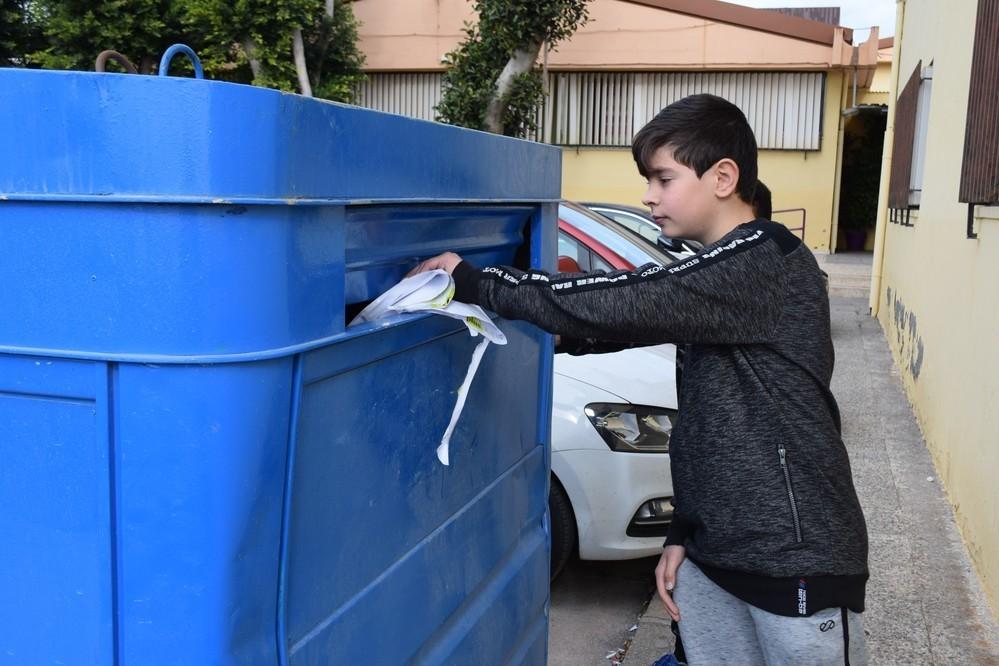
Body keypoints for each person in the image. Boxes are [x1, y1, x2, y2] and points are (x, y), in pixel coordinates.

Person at [409, 94, 869, 665]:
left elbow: (630, 298)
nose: (648, 195)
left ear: (723, 176)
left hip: (795, 558)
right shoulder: (720, 267)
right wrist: (682, 531)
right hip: (713, 555)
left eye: (663, 178)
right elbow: (708, 418)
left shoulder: (761, 259)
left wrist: (480, 282)